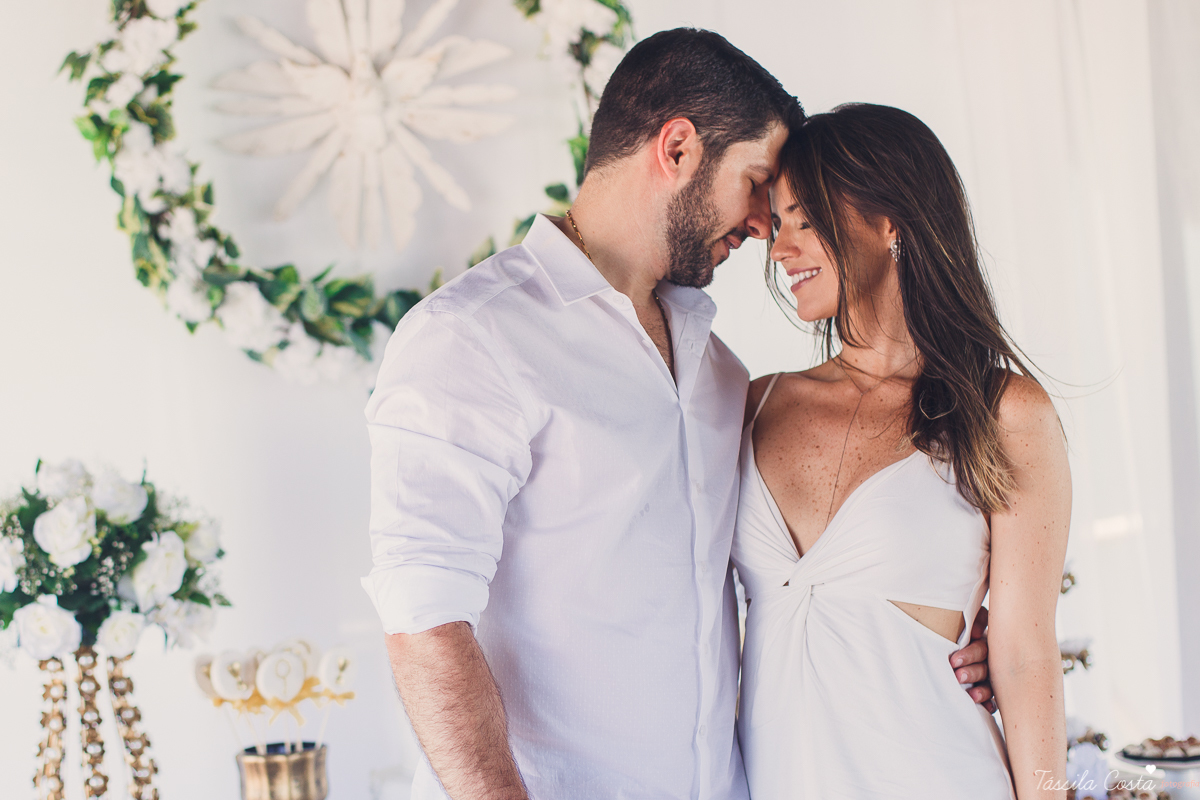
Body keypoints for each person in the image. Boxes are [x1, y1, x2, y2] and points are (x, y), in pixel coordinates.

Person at [361, 32, 994, 800]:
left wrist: (964, 621)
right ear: (679, 147)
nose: (767, 226)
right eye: (758, 182)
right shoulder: (472, 336)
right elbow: (425, 622)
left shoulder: (721, 375)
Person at [733, 103, 1070, 799]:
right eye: (777, 222)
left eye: (804, 218)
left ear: (891, 222)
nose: (780, 247)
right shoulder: (752, 404)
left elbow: (1027, 660)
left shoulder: (1005, 412)